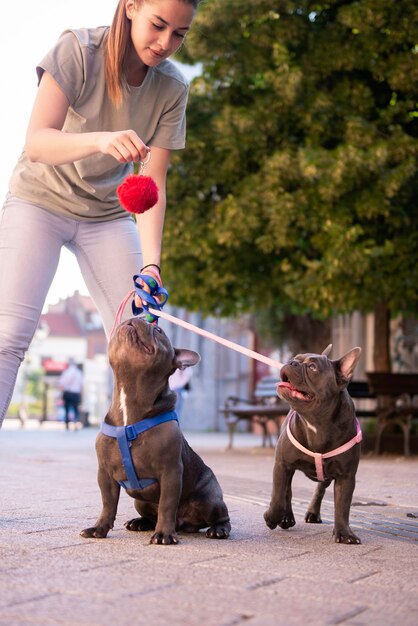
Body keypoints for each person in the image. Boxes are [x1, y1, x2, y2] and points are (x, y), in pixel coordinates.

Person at [0, 0, 199, 429]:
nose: (166, 43)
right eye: (158, 25)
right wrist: (102, 140)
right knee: (9, 336)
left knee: (143, 339)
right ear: (131, 7)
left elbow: (153, 186)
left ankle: (148, 468)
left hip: (106, 217)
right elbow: (38, 142)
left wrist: (152, 264)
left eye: (179, 34)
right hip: (39, 200)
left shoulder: (171, 88)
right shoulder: (77, 50)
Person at [58, 360, 84, 429]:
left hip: (67, 392)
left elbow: (61, 384)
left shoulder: (66, 372)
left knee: (67, 408)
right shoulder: (79, 373)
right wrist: (81, 396)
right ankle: (75, 421)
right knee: (75, 409)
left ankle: (67, 423)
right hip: (76, 393)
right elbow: (81, 386)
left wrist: (60, 395)